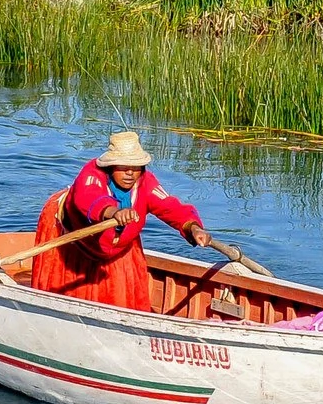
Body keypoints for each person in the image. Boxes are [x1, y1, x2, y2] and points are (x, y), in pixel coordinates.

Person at [29, 131, 214, 311]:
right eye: (123, 167)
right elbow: (88, 197)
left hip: (116, 244)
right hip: (76, 239)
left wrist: (193, 227)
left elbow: (170, 207)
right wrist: (113, 212)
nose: (130, 174)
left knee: (121, 289)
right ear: (110, 166)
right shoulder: (91, 174)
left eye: (135, 168)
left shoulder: (146, 183)